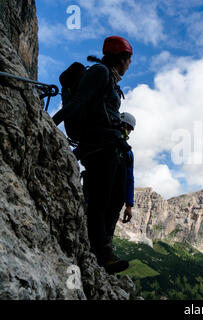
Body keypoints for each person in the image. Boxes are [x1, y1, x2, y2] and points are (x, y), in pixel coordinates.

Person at [53, 36, 133, 274]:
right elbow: (78, 101)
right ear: (122, 58)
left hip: (110, 146)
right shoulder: (100, 72)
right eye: (129, 59)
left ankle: (105, 245)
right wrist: (48, 123)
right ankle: (102, 252)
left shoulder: (110, 78)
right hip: (99, 147)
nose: (129, 65)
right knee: (100, 200)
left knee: (115, 198)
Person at [104, 112, 136, 247]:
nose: (127, 130)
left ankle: (105, 253)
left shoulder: (128, 152)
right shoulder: (104, 139)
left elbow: (130, 179)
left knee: (109, 225)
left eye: (129, 128)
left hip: (116, 197)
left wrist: (129, 205)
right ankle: (103, 252)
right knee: (96, 220)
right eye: (126, 127)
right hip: (100, 190)